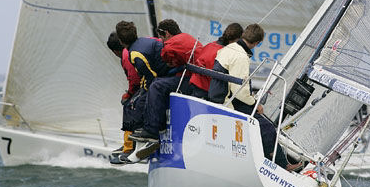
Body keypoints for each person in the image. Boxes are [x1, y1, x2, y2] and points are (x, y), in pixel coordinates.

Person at [208, 23, 302, 172]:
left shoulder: (227, 49)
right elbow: (239, 90)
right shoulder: (241, 56)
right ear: (257, 43)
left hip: (218, 96)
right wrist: (256, 103)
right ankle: (282, 165)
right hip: (228, 101)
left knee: (263, 122)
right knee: (267, 127)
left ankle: (273, 157)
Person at [128, 19, 202, 161]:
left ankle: (151, 131)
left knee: (156, 86)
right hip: (195, 79)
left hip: (191, 81)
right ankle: (157, 125)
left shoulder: (171, 43)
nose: (161, 40)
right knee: (160, 84)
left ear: (166, 33)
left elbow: (165, 57)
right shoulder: (186, 37)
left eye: (161, 37)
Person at [115, 20, 170, 162]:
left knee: (136, 103)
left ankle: (143, 141)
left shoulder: (134, 54)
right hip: (165, 76)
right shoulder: (143, 41)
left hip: (163, 78)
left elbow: (152, 75)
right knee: (138, 100)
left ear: (121, 41)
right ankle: (140, 141)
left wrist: (142, 91)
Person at [106, 32, 142, 164]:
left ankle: (129, 147)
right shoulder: (131, 50)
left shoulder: (126, 56)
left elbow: (134, 79)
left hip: (148, 85)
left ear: (115, 51)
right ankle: (129, 143)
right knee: (130, 101)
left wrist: (129, 94)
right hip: (149, 83)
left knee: (128, 104)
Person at [188, 22, 243, 99]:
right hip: (205, 88)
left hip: (195, 82)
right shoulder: (225, 52)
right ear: (237, 39)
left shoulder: (210, 45)